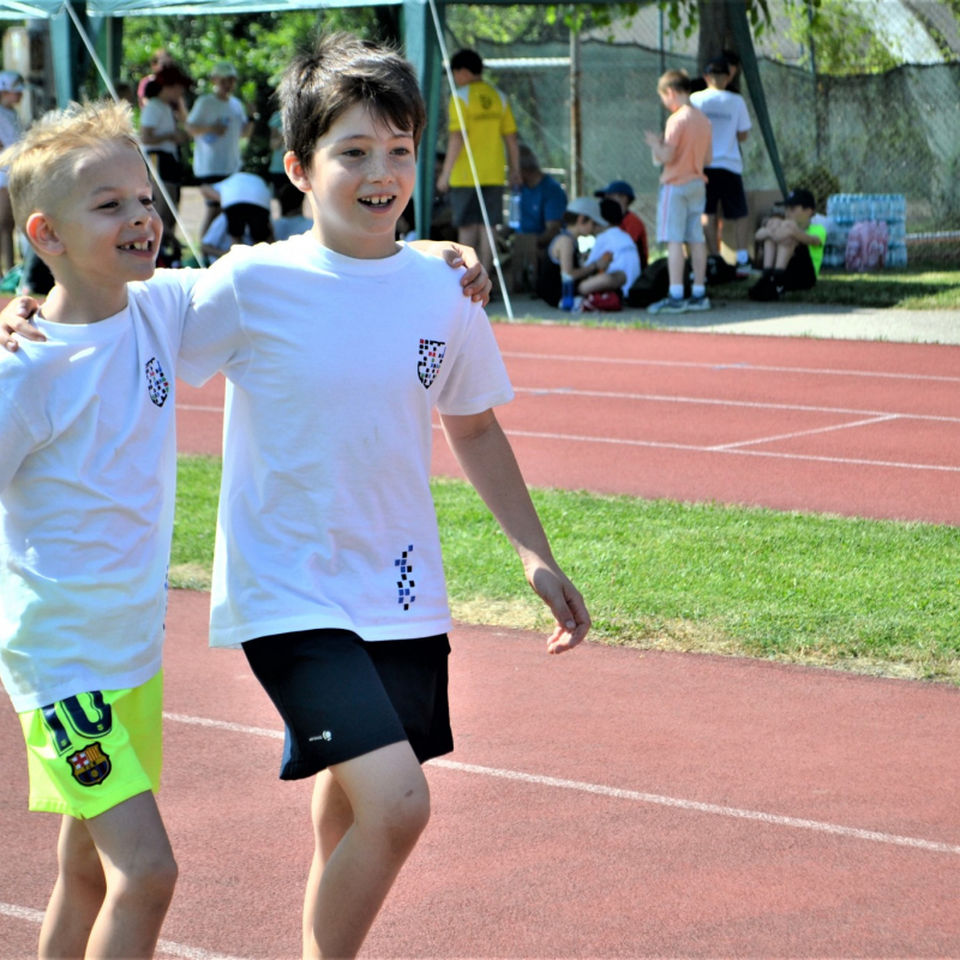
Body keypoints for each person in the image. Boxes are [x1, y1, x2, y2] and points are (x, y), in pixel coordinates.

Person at [180, 33, 587, 959]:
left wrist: (534, 553)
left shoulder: (442, 289)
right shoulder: (249, 283)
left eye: (399, 150)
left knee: (346, 814)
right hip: (287, 592)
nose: (381, 172)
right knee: (399, 804)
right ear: (297, 166)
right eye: (353, 152)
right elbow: (134, 333)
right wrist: (31, 303)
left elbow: (474, 425)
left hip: (397, 589)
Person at [0, 99, 195, 959]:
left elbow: (287, 268)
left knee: (85, 869)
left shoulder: (159, 311)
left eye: (145, 197)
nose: (142, 218)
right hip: (63, 666)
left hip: (130, 657)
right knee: (147, 874)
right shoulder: (24, 368)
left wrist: (434, 255)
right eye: (109, 205)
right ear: (45, 233)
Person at [436, 48, 521, 278]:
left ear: (463, 72)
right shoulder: (499, 97)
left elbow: (457, 136)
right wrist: (515, 169)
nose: (454, 79)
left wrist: (445, 174)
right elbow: (511, 138)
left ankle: (467, 277)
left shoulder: (460, 96)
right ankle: (485, 276)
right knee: (489, 226)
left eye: (454, 73)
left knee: (467, 226)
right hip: (493, 172)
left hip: (465, 174)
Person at [643, 68, 713, 315]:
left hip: (676, 185)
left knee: (674, 239)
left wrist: (655, 145)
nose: (665, 102)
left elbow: (666, 156)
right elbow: (708, 157)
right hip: (697, 183)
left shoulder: (677, 119)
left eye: (664, 97)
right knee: (696, 238)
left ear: (671, 92)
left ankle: (675, 294)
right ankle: (699, 292)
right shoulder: (703, 120)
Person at [690, 57, 753, 277]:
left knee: (707, 212)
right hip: (730, 165)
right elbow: (743, 135)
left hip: (704, 166)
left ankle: (715, 257)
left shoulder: (695, 100)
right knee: (739, 213)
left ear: (707, 77)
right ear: (728, 77)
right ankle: (743, 258)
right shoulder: (737, 101)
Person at [186, 61, 253, 236]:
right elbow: (190, 128)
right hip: (209, 166)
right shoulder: (205, 102)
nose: (227, 85)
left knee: (228, 212)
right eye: (223, 80)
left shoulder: (236, 104)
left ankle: (214, 248)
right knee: (214, 210)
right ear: (215, 80)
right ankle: (204, 250)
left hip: (231, 165)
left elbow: (244, 133)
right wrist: (210, 128)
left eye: (231, 80)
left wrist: (253, 116)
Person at [139, 64, 192, 266]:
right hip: (157, 158)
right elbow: (145, 137)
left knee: (172, 207)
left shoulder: (167, 107)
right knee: (161, 206)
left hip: (169, 158)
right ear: (168, 86)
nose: (181, 93)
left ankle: (167, 252)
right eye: (178, 88)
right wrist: (171, 136)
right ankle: (158, 254)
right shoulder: (153, 106)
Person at [748, 187, 826, 301]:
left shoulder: (818, 229)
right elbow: (758, 235)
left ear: (808, 211)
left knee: (789, 234)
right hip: (786, 271)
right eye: (786, 208)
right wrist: (773, 229)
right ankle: (767, 277)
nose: (787, 212)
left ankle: (776, 279)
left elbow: (812, 240)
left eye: (792, 208)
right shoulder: (783, 226)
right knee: (775, 225)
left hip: (804, 276)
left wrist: (784, 230)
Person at [510, 143, 566, 292]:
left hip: (541, 246)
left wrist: (528, 242)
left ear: (523, 170)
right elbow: (513, 223)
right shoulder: (519, 189)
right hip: (520, 241)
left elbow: (553, 230)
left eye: (512, 169)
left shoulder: (551, 190)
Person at [536, 195, 607, 308]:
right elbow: (568, 275)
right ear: (581, 219)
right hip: (559, 296)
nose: (594, 228)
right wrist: (594, 266)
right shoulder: (565, 241)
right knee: (610, 279)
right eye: (593, 224)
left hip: (563, 293)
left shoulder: (571, 240)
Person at [576, 197, 641, 310]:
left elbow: (587, 268)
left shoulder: (603, 238)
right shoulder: (626, 236)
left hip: (620, 291)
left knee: (581, 285)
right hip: (634, 291)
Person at [199, 169, 273, 260]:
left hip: (235, 202)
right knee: (261, 242)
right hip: (261, 201)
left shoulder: (226, 183)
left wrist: (225, 201)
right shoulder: (257, 181)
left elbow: (204, 188)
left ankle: (237, 261)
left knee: (236, 241)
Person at [594, 178, 649, 270]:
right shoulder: (611, 221)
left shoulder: (632, 221)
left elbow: (621, 250)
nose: (605, 200)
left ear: (624, 198)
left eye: (609, 197)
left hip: (635, 277)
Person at [0, 70, 24, 276]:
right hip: (2, 174)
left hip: (12, 173)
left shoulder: (13, 114)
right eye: (15, 91)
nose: (19, 95)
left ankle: (9, 270)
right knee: (4, 223)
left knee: (9, 225)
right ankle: (6, 270)